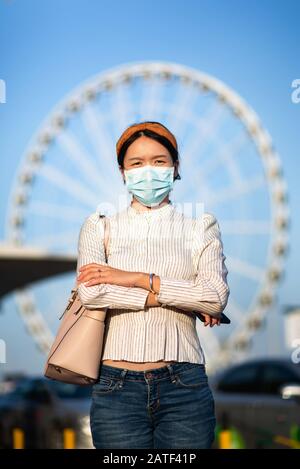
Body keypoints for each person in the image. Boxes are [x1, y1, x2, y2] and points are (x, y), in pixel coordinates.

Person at [76, 121, 230, 449]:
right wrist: (180, 296)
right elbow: (91, 293)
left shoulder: (200, 227)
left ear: (176, 168)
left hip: (184, 385)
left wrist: (133, 278)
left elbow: (215, 297)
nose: (148, 171)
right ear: (123, 172)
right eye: (137, 163)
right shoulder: (99, 227)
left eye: (159, 161)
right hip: (115, 388)